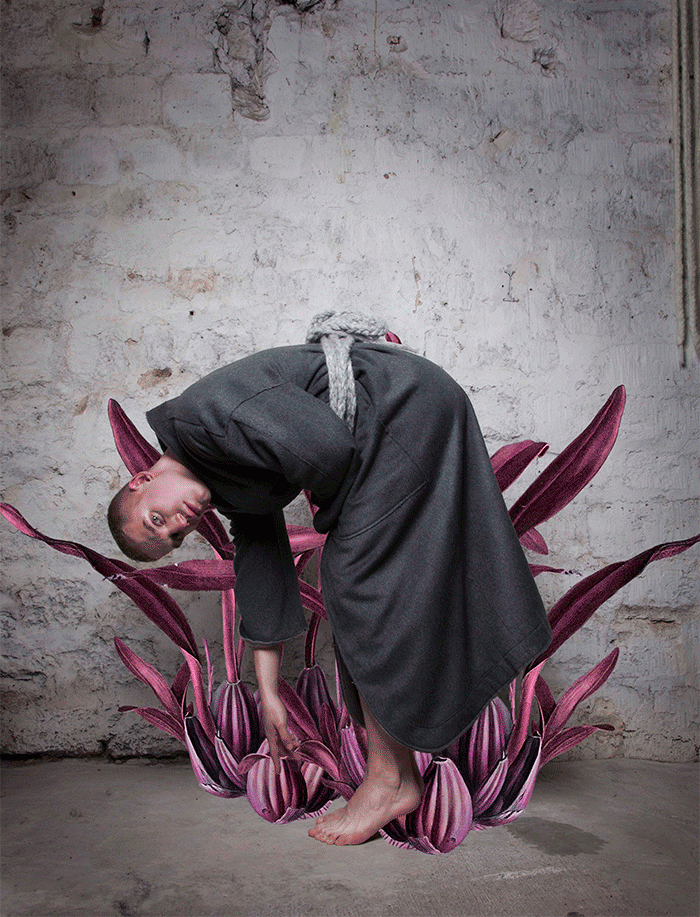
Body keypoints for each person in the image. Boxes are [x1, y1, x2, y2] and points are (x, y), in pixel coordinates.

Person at [108, 312, 551, 846]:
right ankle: (398, 776)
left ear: (142, 479)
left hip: (402, 405)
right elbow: (264, 575)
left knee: (355, 579)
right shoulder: (220, 471)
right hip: (406, 409)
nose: (178, 526)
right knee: (360, 581)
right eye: (174, 537)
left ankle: (388, 780)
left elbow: (327, 448)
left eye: (157, 519)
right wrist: (269, 695)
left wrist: (346, 533)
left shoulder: (208, 419)